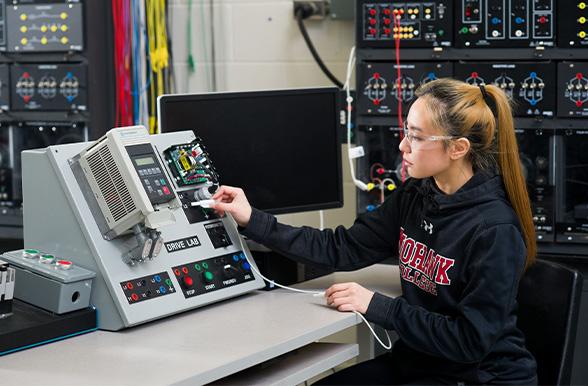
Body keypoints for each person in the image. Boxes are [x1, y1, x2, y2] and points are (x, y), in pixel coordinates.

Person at [210, 78, 538, 385]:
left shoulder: (494, 230)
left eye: (417, 136)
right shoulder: (417, 196)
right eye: (406, 131)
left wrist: (378, 306)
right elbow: (341, 248)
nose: (403, 145)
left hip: (479, 376)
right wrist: (252, 218)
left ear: (458, 148)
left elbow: (469, 342)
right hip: (422, 362)